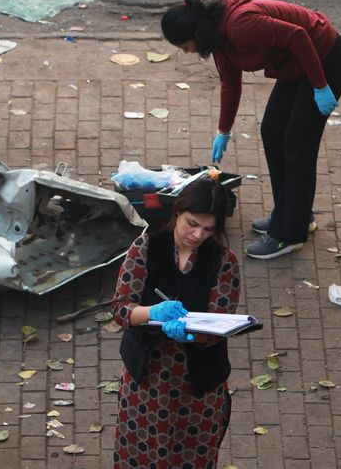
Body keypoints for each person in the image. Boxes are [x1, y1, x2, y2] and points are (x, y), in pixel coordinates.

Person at [161, 0, 341, 259]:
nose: (185, 51)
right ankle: (293, 214)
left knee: (298, 144)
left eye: (184, 45)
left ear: (197, 32)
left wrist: (320, 86)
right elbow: (230, 83)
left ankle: (289, 234)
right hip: (296, 64)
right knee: (272, 131)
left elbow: (298, 35)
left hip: (325, 58)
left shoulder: (240, 26)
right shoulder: (218, 39)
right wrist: (223, 131)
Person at [112, 177, 240, 469]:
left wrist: (193, 335)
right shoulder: (146, 247)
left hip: (198, 389)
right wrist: (152, 312)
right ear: (178, 213)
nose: (197, 234)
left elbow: (218, 326)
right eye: (191, 223)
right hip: (146, 383)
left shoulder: (224, 262)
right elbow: (121, 309)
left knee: (192, 458)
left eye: (208, 229)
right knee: (139, 457)